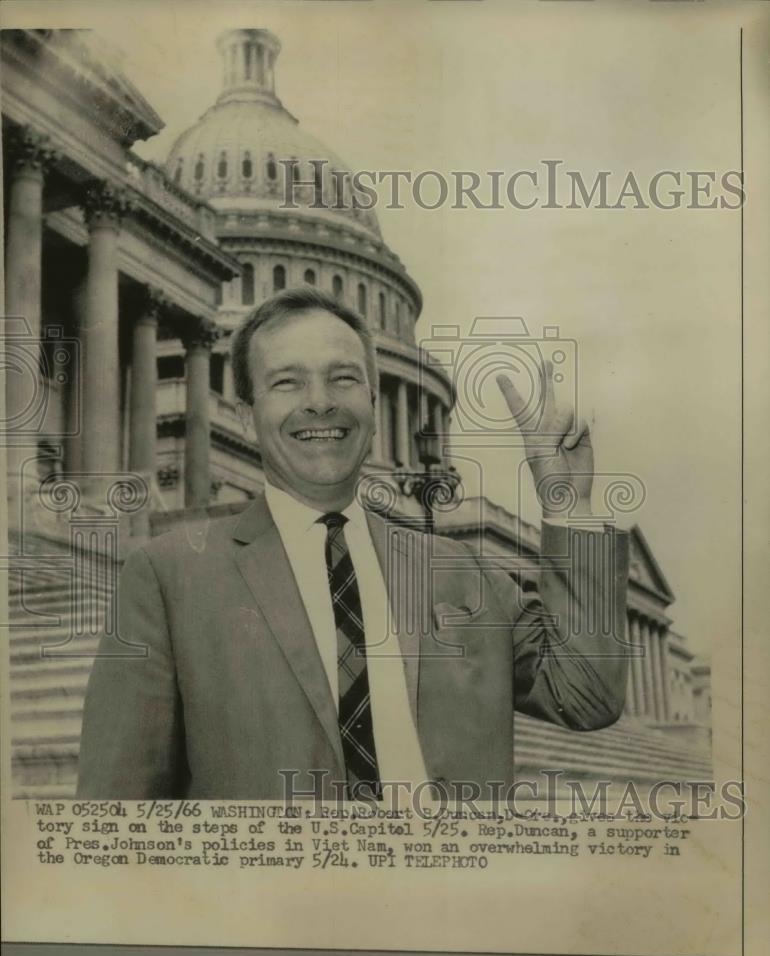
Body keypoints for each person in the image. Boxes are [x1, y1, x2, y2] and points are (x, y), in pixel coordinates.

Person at [76, 287, 629, 801]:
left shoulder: (464, 574)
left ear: (372, 396)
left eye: (342, 379)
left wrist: (568, 504)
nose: (320, 403)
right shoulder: (168, 580)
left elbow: (587, 696)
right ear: (245, 416)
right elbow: (117, 812)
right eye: (287, 382)